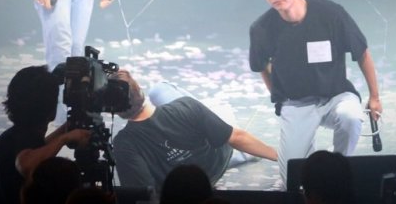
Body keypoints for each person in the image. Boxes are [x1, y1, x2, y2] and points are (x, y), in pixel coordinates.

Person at [249, 0, 382, 187]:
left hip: (336, 95)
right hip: (296, 103)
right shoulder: (261, 28)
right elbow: (261, 66)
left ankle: (337, 167)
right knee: (292, 177)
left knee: (351, 117)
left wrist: (374, 97)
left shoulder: (331, 13)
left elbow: (362, 53)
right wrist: (278, 96)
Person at [110, 70, 278, 195]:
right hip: (212, 165)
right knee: (161, 89)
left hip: (182, 185)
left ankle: (241, 153)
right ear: (139, 89)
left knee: (163, 93)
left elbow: (142, 192)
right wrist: (279, 156)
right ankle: (237, 145)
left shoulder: (125, 143)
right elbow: (236, 137)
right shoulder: (186, 107)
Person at [0, 65, 91, 204]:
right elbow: (25, 164)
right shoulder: (20, 140)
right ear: (51, 107)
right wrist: (64, 138)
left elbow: (36, 150)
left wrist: (66, 128)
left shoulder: (12, 137)